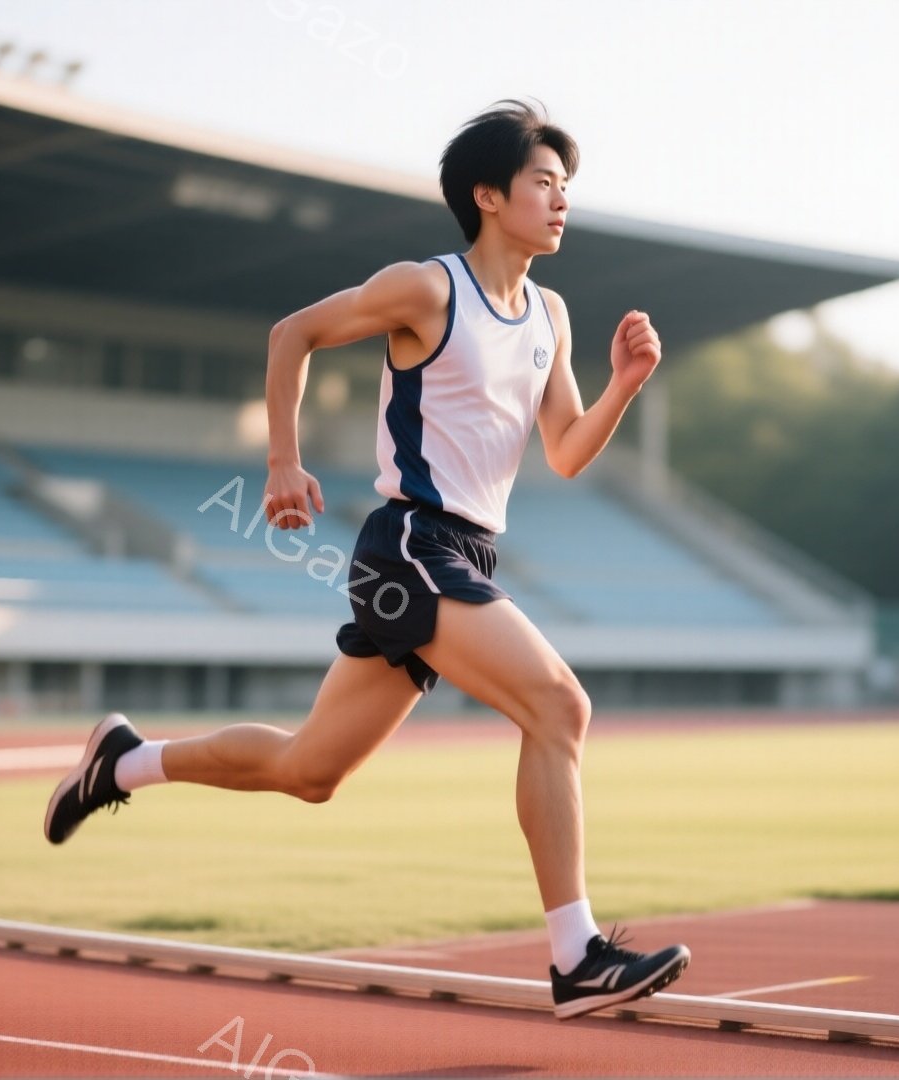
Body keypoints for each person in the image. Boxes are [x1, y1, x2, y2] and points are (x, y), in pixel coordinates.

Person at [44, 99, 689, 1020]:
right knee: (558, 706)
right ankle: (575, 954)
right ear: (488, 196)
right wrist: (281, 459)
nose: (560, 202)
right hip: (412, 545)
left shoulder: (549, 314)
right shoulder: (427, 289)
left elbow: (566, 451)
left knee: (310, 772)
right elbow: (290, 334)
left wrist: (624, 387)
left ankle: (123, 761)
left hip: (468, 552)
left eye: (565, 187)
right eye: (544, 183)